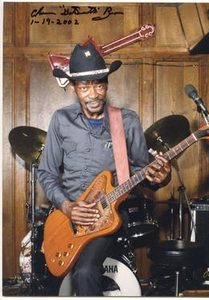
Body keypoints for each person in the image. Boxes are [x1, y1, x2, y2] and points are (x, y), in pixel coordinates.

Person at [38, 42, 171, 296]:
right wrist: (68, 207)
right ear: (74, 88)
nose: (93, 94)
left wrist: (161, 177)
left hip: (111, 213)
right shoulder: (60, 120)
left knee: (85, 272)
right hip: (69, 217)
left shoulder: (126, 120)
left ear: (107, 85)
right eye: (85, 87)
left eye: (99, 85)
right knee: (51, 283)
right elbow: (46, 173)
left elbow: (144, 172)